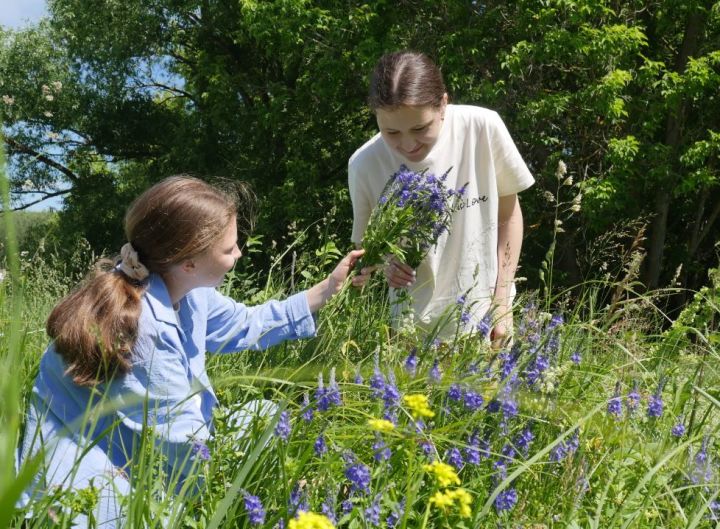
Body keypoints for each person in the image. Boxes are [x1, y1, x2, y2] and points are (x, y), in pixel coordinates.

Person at [17, 175, 365, 528]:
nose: (239, 254)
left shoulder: (185, 288)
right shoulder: (142, 328)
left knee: (268, 415)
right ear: (188, 262)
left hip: (130, 443)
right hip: (82, 484)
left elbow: (245, 323)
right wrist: (233, 487)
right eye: (229, 249)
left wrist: (328, 288)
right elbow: (183, 441)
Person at [350, 51, 534, 344]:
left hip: (488, 318)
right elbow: (365, 253)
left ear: (444, 104)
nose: (408, 144)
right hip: (410, 331)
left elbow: (508, 217)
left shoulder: (483, 127)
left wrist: (501, 301)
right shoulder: (364, 164)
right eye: (391, 132)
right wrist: (385, 264)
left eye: (420, 128)